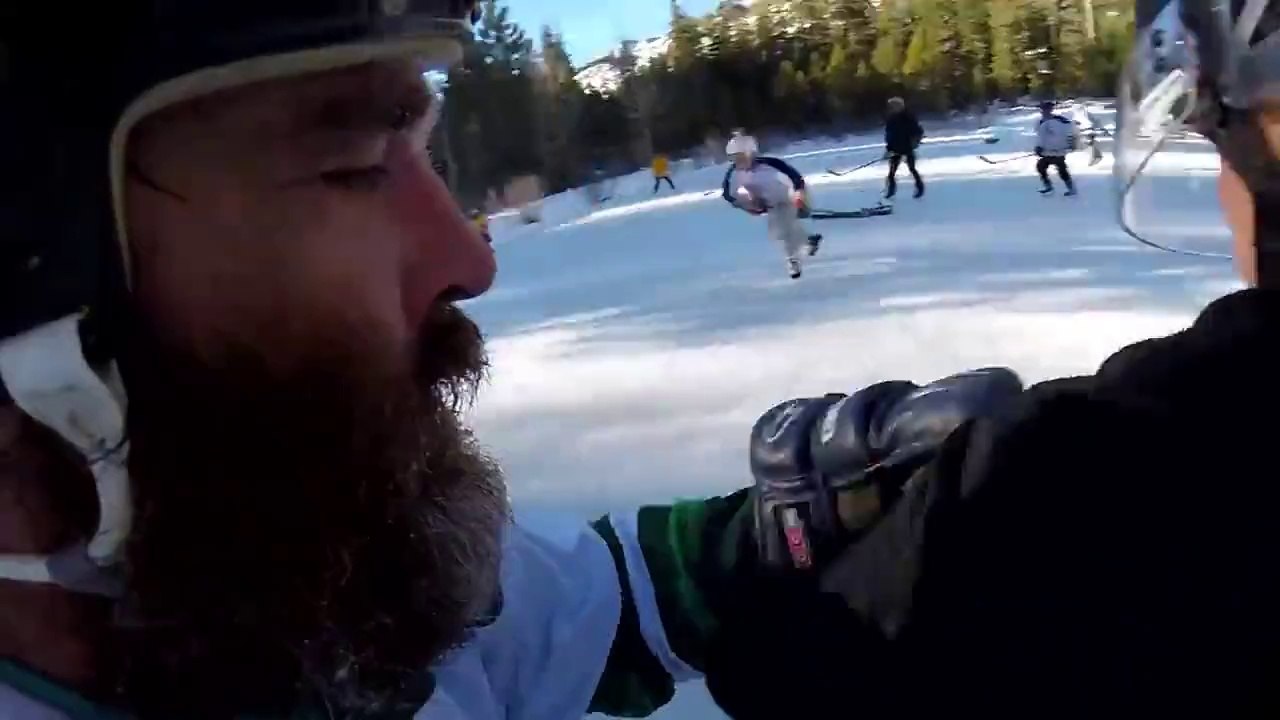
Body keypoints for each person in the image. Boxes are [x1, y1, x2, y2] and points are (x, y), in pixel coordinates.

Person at [0, 3, 923, 719]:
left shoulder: (289, 561)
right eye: (355, 162)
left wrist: (814, 531)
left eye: (423, 148)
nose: (471, 261)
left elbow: (580, 614)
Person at [706, 0, 1280, 716]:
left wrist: (767, 560)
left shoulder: (1097, 473)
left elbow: (795, 662)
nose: (1227, 196)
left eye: (1218, 141)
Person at [720, 134, 823, 279]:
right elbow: (728, 195)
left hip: (793, 197)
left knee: (784, 228)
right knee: (779, 232)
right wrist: (748, 205)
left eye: (741, 157)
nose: (738, 162)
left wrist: (799, 194)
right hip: (773, 204)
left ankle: (798, 254)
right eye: (734, 158)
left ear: (751, 153)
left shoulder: (771, 164)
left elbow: (796, 178)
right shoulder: (733, 174)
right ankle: (804, 247)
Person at [883, 97, 925, 199]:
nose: (892, 108)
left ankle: (920, 188)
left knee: (912, 169)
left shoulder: (908, 117)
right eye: (891, 107)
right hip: (895, 148)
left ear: (900, 106)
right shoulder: (891, 119)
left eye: (894, 106)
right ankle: (890, 191)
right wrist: (888, 149)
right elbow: (889, 136)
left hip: (907, 147)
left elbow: (918, 131)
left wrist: (915, 141)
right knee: (892, 171)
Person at [1035, 100, 1079, 195]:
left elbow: (1070, 130)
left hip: (1058, 152)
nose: (1043, 111)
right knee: (1041, 167)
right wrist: (1038, 147)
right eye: (1042, 110)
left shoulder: (1061, 120)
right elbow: (1041, 138)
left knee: (1061, 170)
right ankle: (1049, 186)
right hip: (1047, 152)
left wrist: (1071, 143)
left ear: (1050, 110)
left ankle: (1071, 188)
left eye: (1046, 109)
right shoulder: (1041, 122)